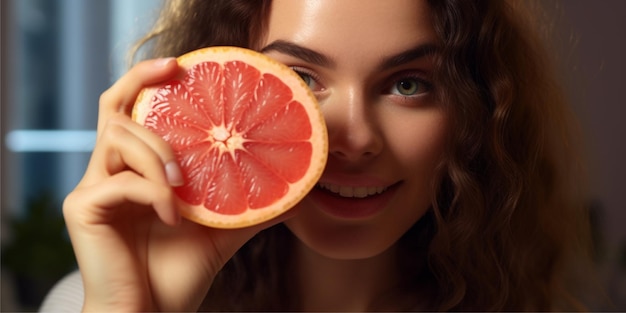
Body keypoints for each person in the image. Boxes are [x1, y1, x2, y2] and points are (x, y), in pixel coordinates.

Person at [41, 0, 597, 311]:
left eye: (408, 85)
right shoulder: (88, 305)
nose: (356, 139)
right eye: (302, 77)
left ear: (473, 111)